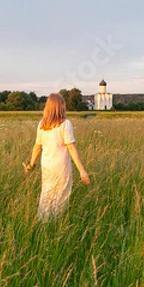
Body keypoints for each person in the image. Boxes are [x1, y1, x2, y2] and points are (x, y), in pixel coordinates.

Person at [24, 93, 90, 221]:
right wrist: (82, 171)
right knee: (60, 196)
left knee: (47, 194)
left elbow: (37, 147)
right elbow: (71, 147)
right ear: (61, 107)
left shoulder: (42, 124)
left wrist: (31, 165)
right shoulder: (65, 124)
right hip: (61, 167)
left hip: (47, 166)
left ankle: (42, 221)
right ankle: (56, 223)